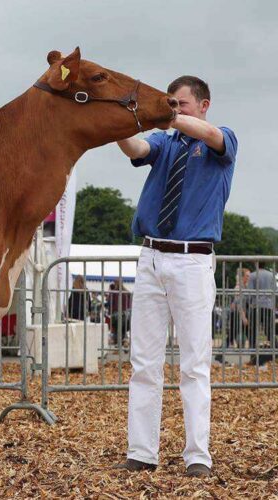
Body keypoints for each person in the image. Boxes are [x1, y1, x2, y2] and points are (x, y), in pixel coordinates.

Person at [113, 75, 238, 478]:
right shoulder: (167, 144)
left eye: (181, 104)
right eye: (172, 104)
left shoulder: (221, 141)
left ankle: (197, 455)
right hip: (150, 256)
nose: (175, 110)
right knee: (144, 362)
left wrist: (162, 114)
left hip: (192, 260)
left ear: (203, 104)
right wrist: (122, 123)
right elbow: (137, 147)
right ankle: (141, 451)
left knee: (194, 364)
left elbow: (208, 133)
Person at [246, 267, 276, 366]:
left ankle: (253, 358)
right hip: (268, 306)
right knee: (270, 332)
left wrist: (249, 303)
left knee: (253, 334)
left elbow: (250, 292)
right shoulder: (271, 275)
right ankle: (275, 352)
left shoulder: (253, 275)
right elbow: (275, 290)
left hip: (256, 306)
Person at [106, 278, 132, 347]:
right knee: (123, 330)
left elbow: (110, 305)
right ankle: (125, 341)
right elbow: (130, 305)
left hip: (116, 316)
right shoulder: (127, 292)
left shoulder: (113, 293)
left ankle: (118, 343)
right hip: (127, 316)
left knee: (117, 330)